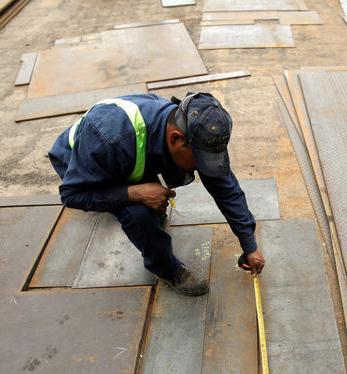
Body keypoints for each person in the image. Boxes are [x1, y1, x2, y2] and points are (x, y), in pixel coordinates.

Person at [48, 92, 265, 296]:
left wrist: (249, 245)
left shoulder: (191, 129)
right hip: (85, 168)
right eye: (200, 160)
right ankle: (166, 269)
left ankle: (144, 199)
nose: (203, 167)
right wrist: (134, 193)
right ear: (175, 138)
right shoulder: (108, 139)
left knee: (159, 189)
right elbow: (72, 195)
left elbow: (226, 190)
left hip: (128, 156)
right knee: (139, 213)